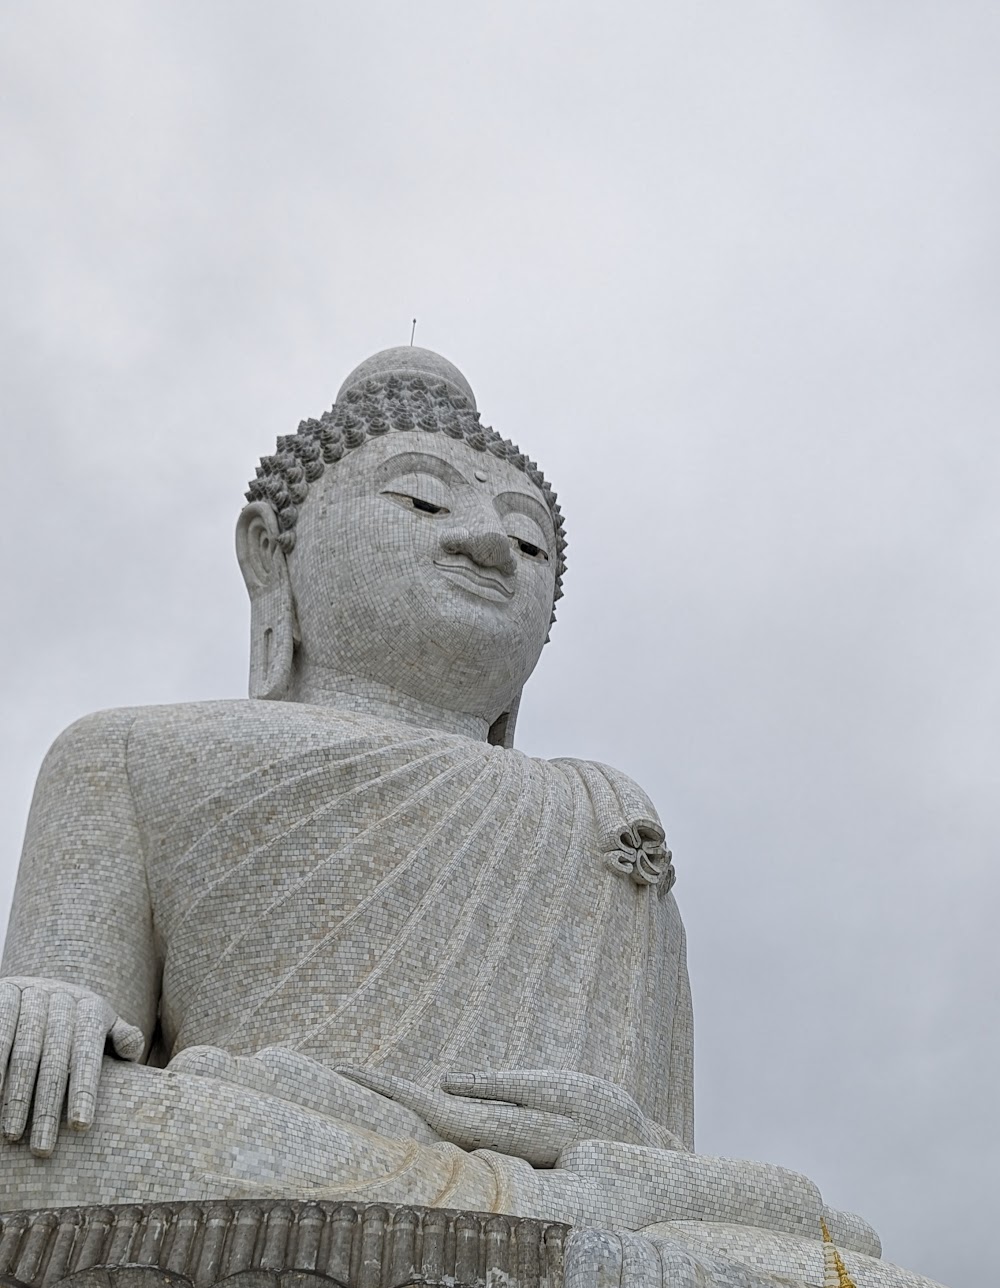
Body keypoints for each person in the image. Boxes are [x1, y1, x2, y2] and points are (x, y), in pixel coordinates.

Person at [0, 347, 697, 1223]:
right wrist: (48, 1002)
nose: (488, 544)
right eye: (421, 499)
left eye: (528, 541)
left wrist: (626, 1139)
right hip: (256, 1134)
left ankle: (514, 1210)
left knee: (820, 1231)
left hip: (575, 1189)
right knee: (60, 1130)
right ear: (269, 554)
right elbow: (65, 1038)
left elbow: (670, 1151)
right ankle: (512, 1215)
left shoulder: (601, 807)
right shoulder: (127, 750)